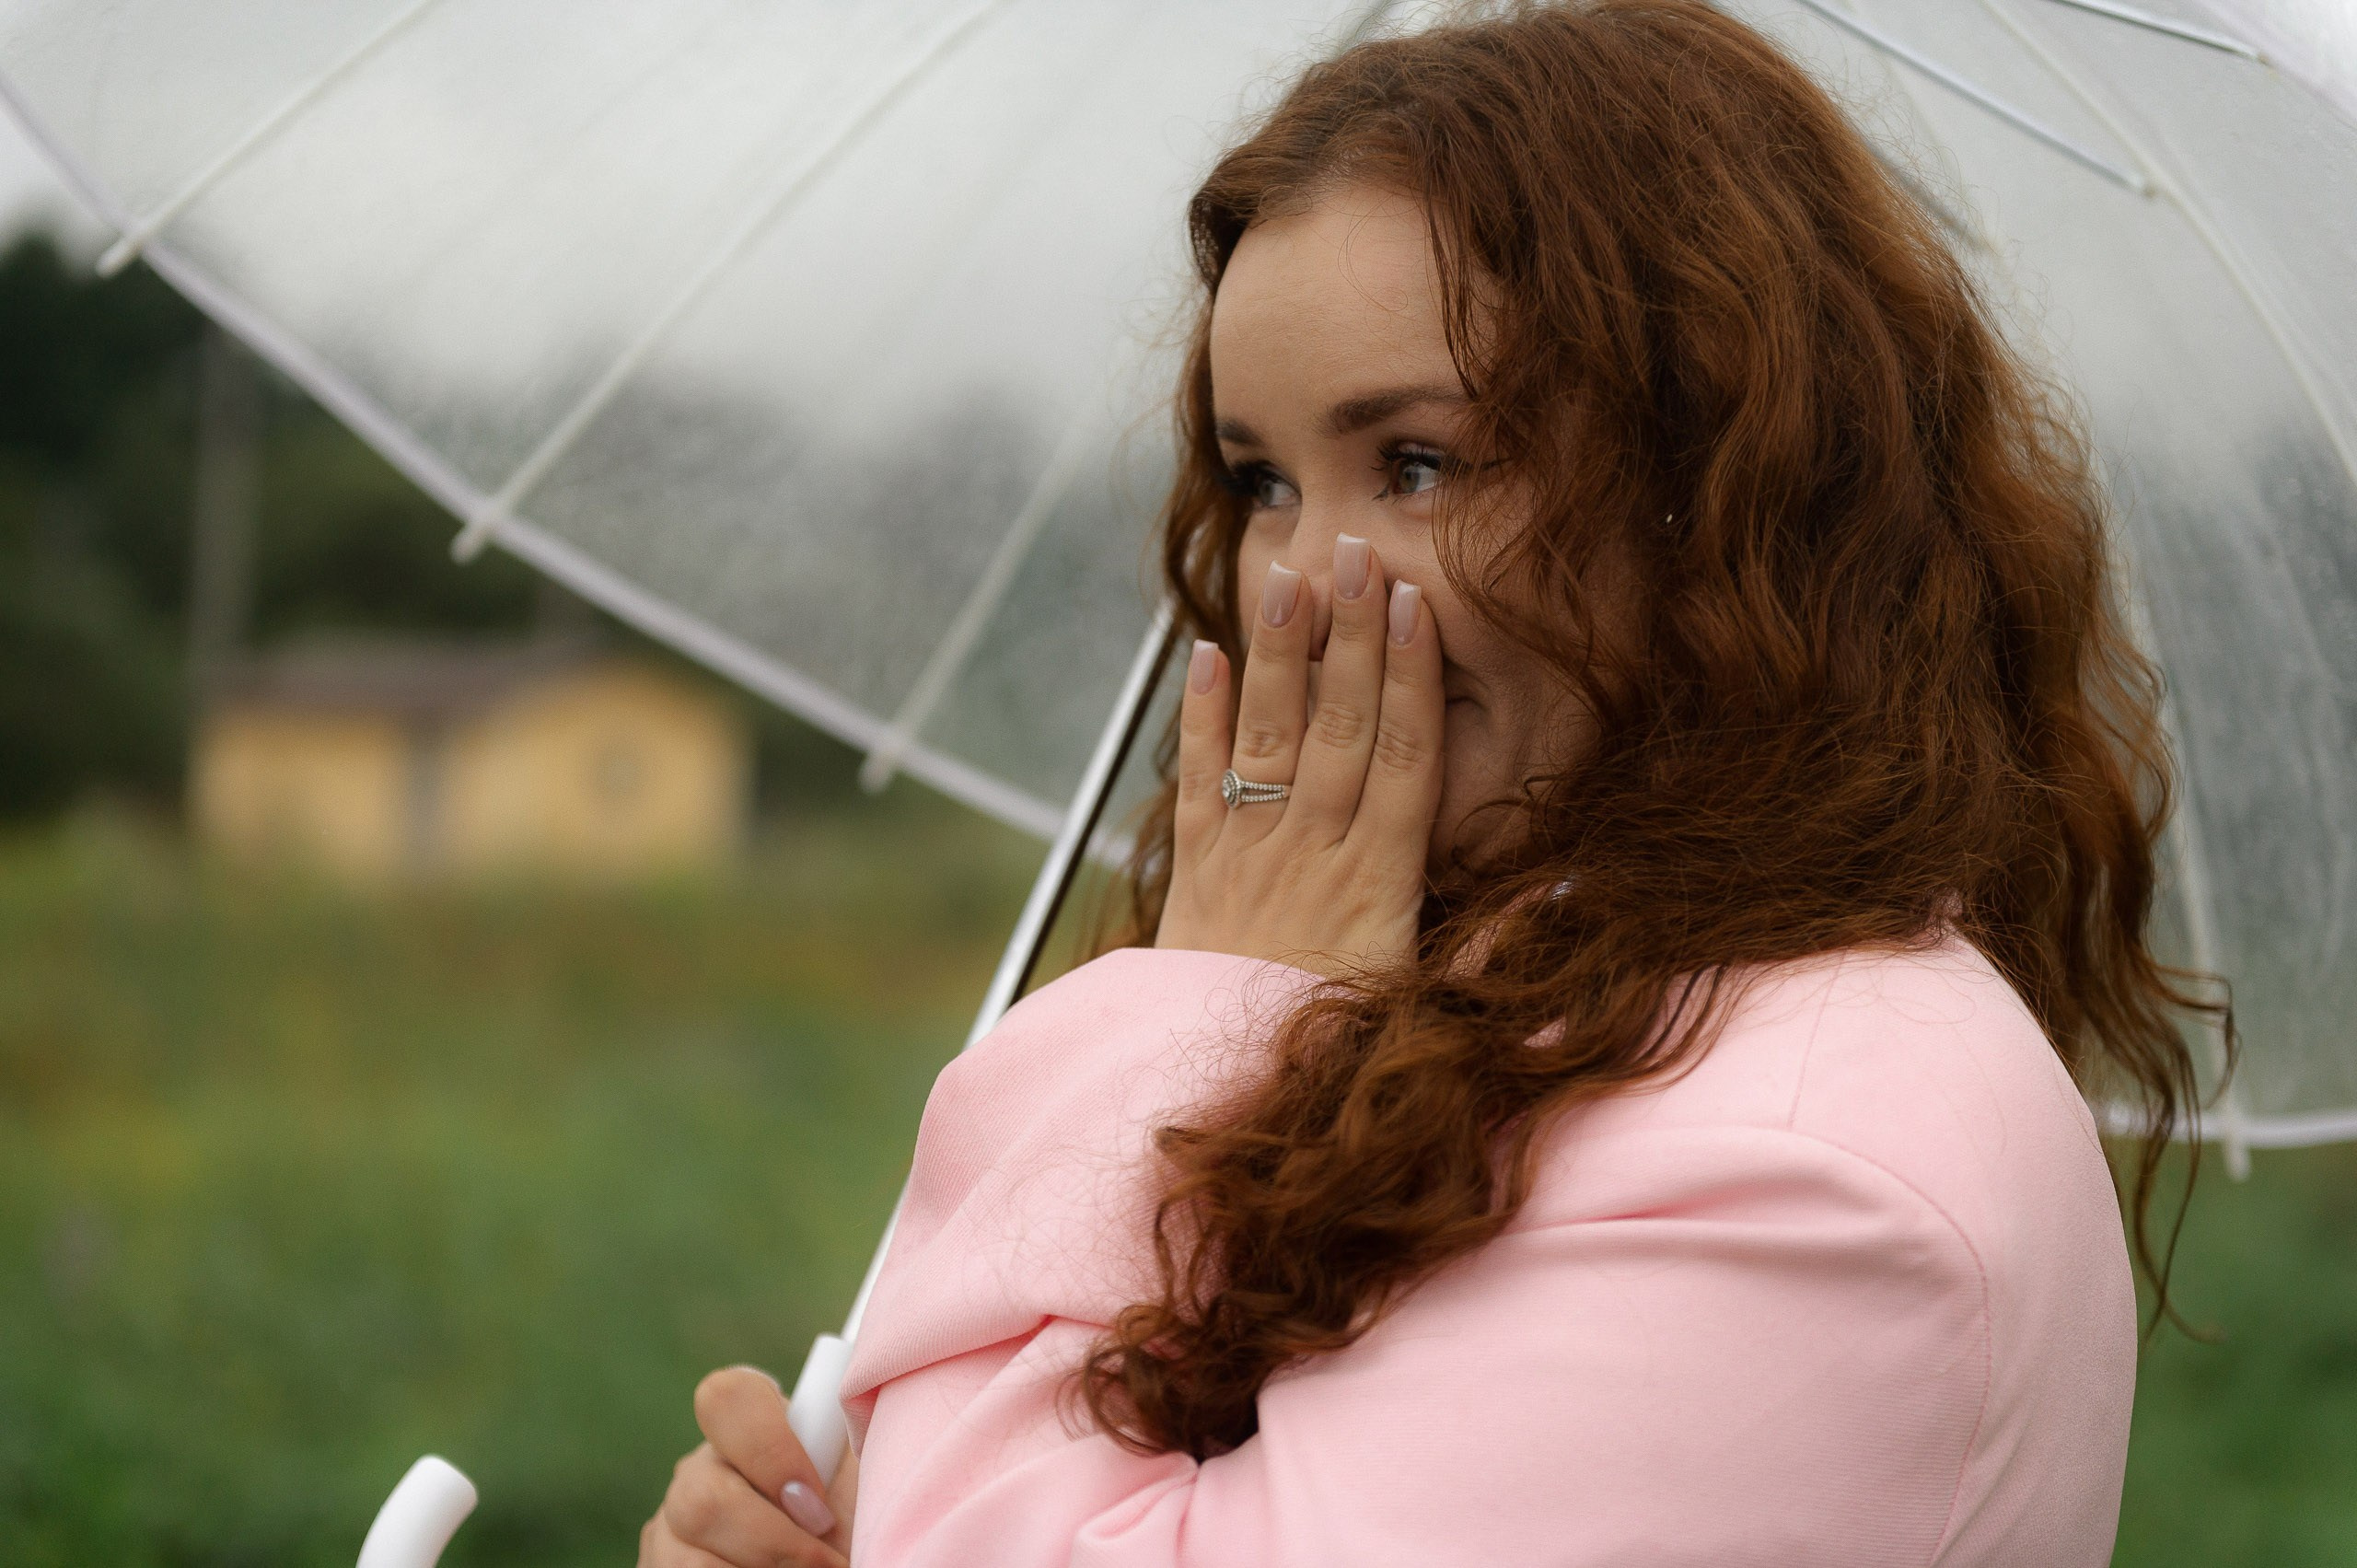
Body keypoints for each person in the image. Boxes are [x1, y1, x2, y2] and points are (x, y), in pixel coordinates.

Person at [639, 3, 2214, 1562]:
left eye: (1414, 464)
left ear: (1716, 478)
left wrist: (1197, 1015)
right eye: (1262, 480)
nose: (1293, 591)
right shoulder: (1506, 1001)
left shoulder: (1806, 1166)